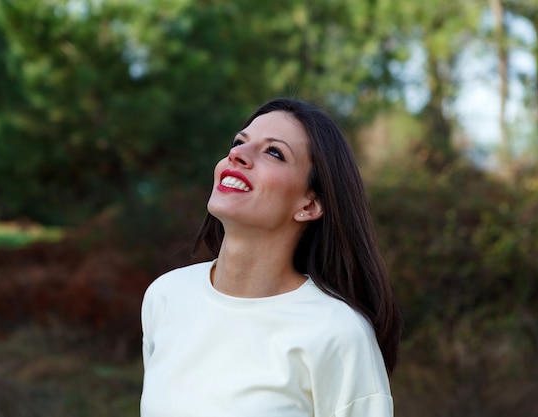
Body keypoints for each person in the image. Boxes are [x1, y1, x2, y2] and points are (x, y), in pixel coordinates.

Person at [140, 97, 402, 417]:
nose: (237, 154)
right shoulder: (166, 297)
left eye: (273, 152)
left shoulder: (338, 332)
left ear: (309, 205)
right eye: (239, 142)